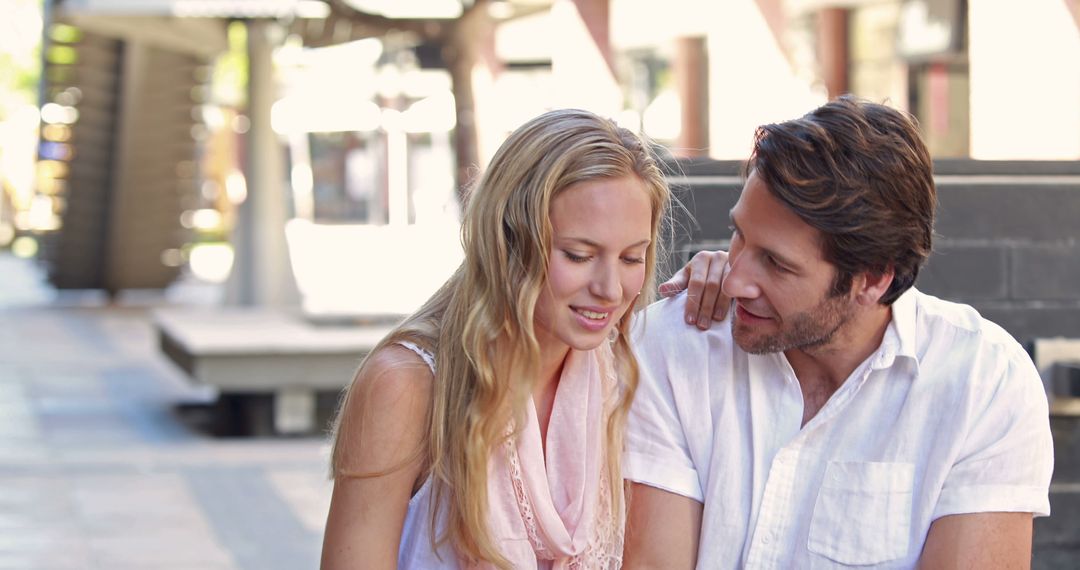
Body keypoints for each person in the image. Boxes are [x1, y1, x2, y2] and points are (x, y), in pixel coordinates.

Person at [622, 96, 1054, 569]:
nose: (735, 278)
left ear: (872, 279)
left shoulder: (983, 383)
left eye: (777, 263)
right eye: (740, 235)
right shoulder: (673, 344)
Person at [320, 108, 673, 569]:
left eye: (632, 258)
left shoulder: (624, 377)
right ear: (507, 239)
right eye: (579, 255)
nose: (610, 289)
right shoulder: (407, 386)